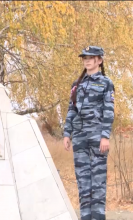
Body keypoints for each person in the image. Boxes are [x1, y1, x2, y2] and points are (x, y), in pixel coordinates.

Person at [63, 46, 115, 220]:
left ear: (99, 60)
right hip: (79, 139)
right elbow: (72, 109)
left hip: (97, 138)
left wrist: (105, 136)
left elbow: (109, 110)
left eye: (91, 57)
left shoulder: (106, 83)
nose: (87, 60)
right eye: (84, 57)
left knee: (98, 183)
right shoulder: (77, 84)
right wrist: (67, 133)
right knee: (83, 183)